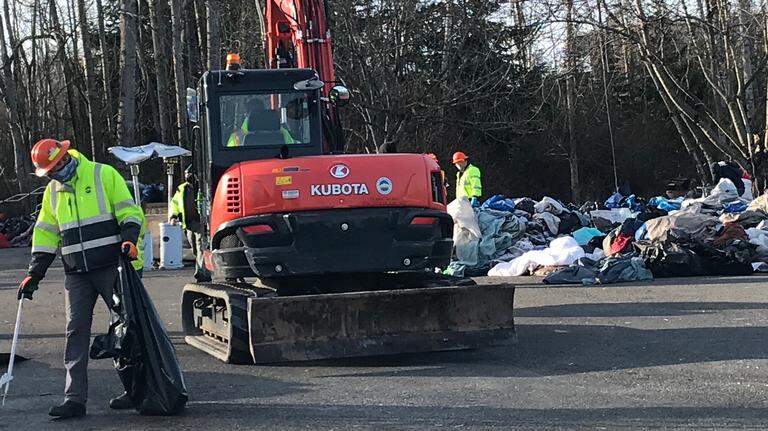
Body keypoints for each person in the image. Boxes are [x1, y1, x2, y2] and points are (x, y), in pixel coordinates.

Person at [17, 139, 146, 419]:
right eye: (48, 172)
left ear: (64, 158)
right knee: (75, 331)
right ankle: (74, 398)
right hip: (77, 274)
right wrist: (33, 274)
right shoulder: (52, 192)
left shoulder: (103, 174)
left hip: (112, 266)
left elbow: (130, 212)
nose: (53, 174)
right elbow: (46, 234)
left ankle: (138, 390)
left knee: (128, 328)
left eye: (54, 168)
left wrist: (129, 240)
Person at [170, 165, 212, 282]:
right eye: (186, 174)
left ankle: (202, 274)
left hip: (200, 224)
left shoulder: (202, 188)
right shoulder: (181, 188)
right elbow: (175, 203)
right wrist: (173, 216)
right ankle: (203, 269)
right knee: (194, 248)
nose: (187, 176)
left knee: (200, 247)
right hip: (188, 224)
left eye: (189, 173)